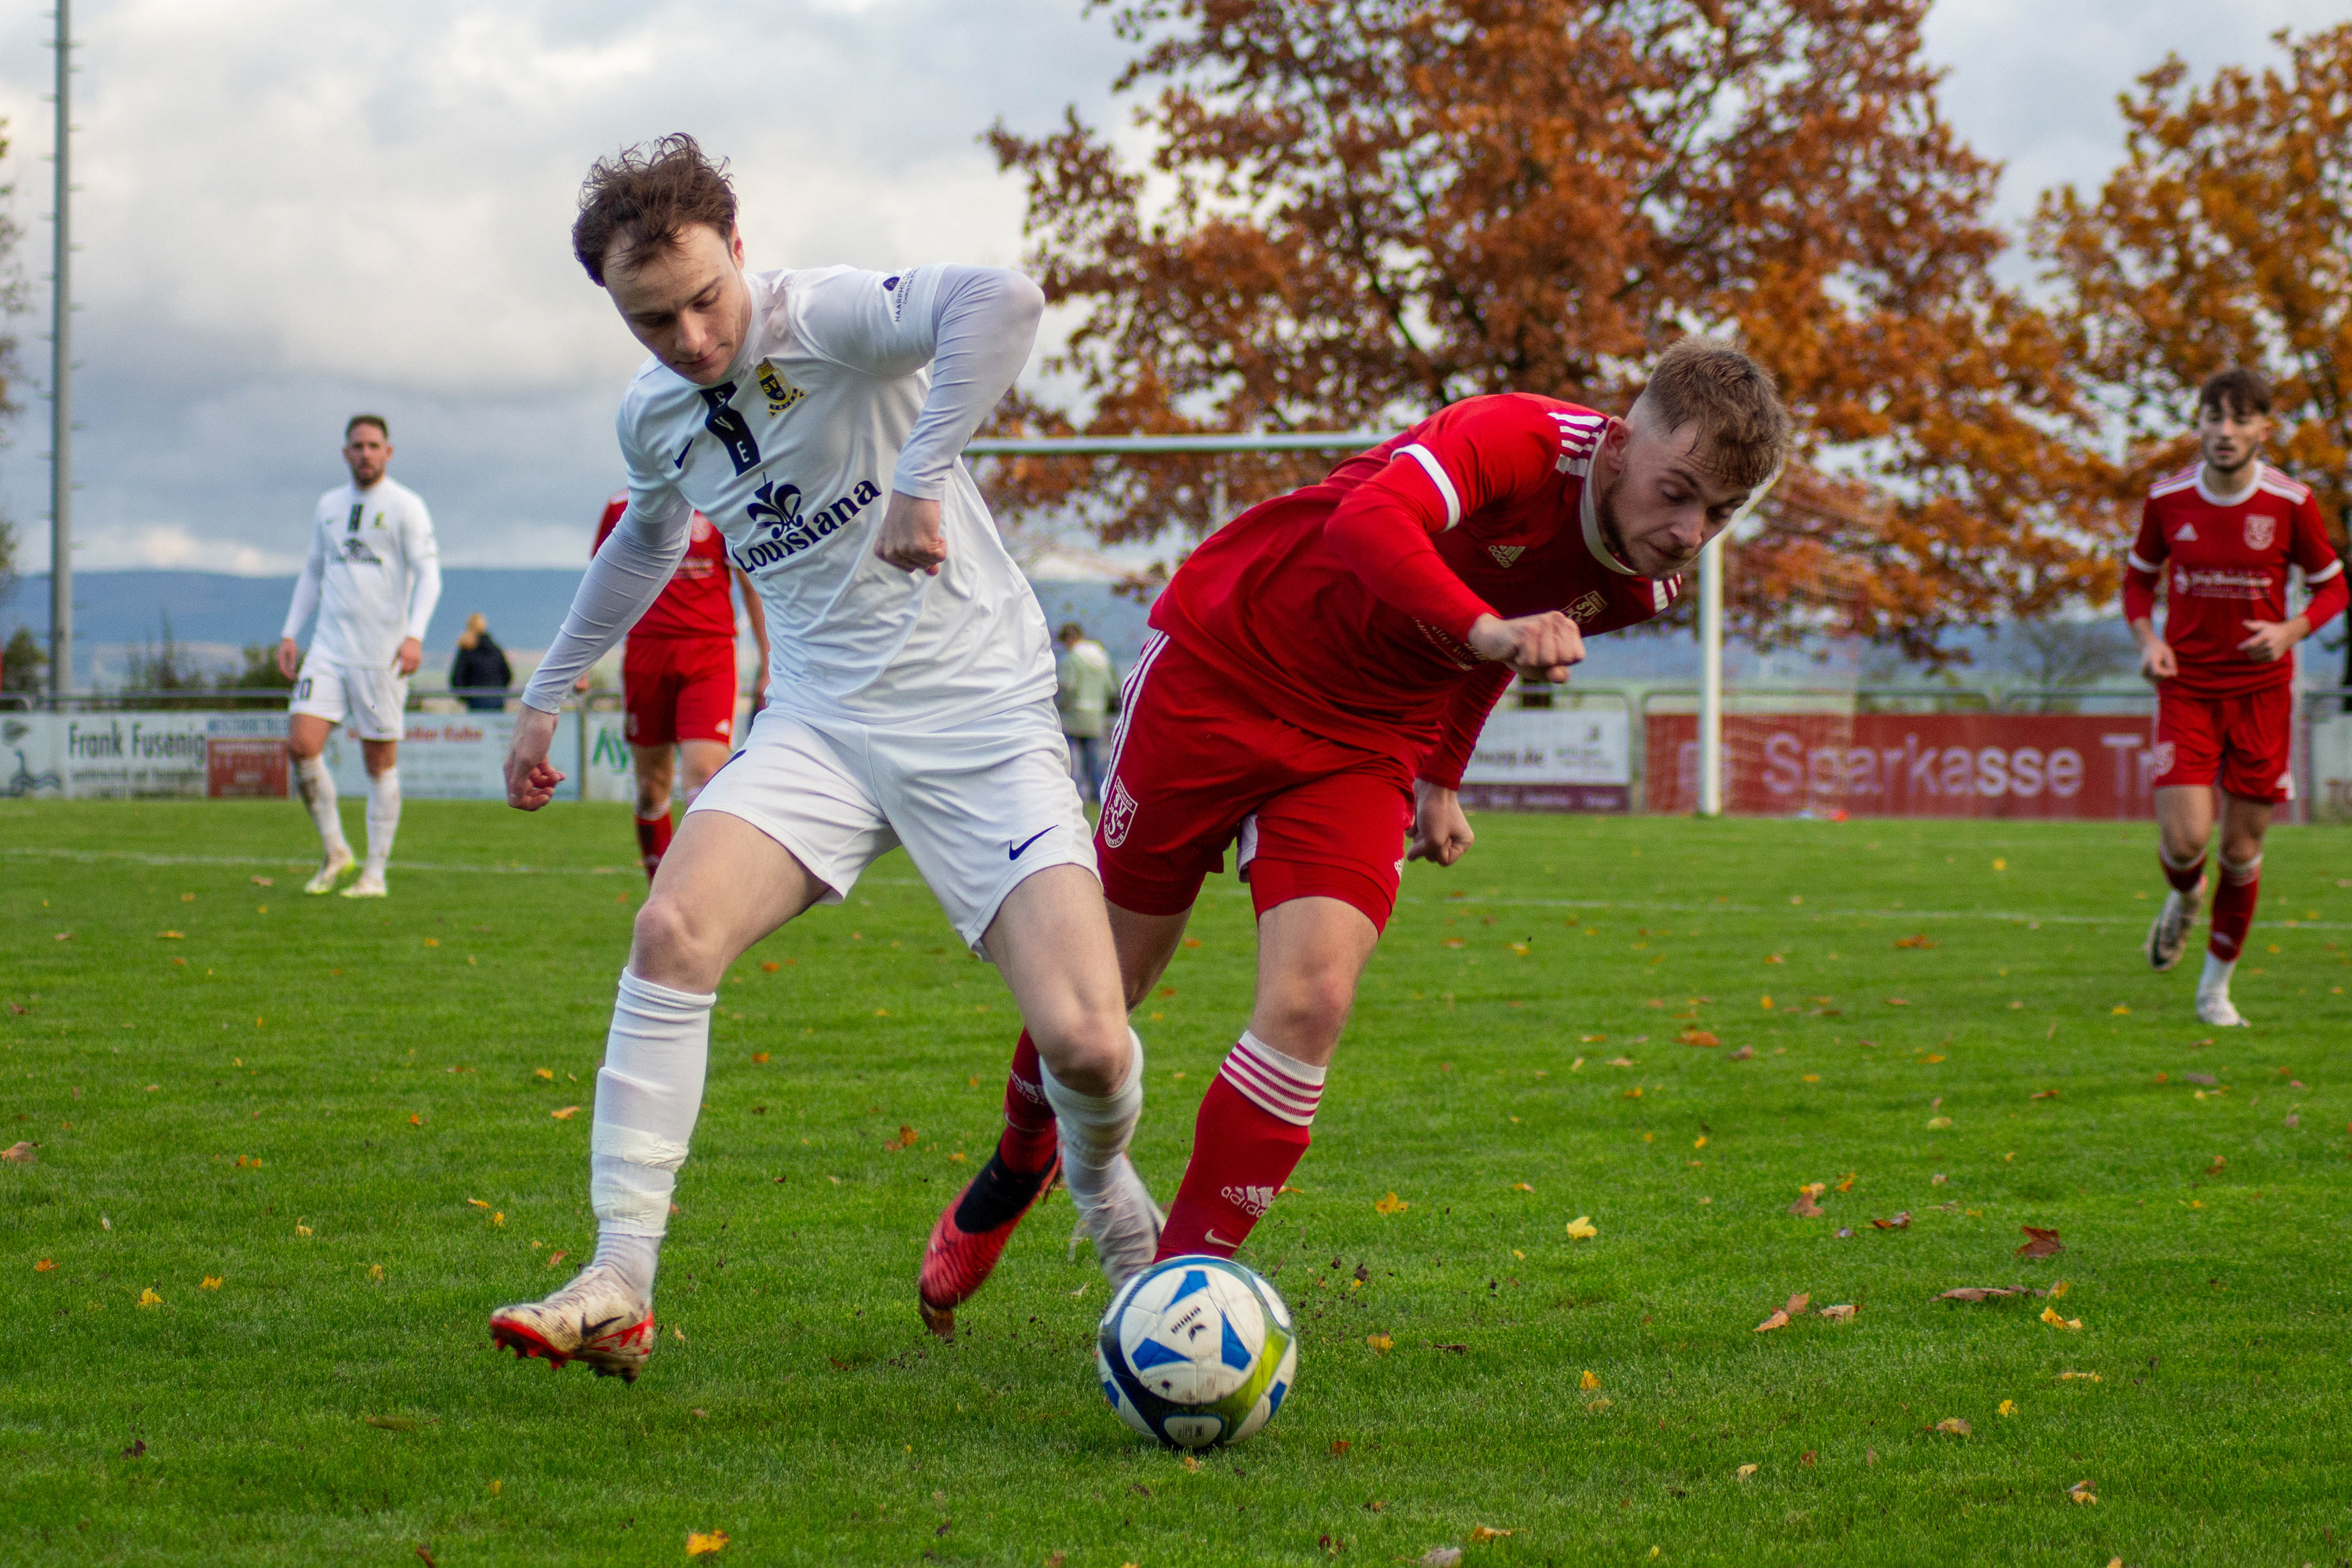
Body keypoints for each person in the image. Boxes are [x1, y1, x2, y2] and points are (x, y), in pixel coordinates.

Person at [485, 134, 1156, 1381]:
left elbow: (1003, 301)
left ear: (740, 250)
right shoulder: (656, 413)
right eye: (652, 322)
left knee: (1089, 1046)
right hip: (820, 729)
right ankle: (621, 1273)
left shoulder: (825, 316)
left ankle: (1111, 1201)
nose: (690, 338)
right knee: (670, 931)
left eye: (704, 298)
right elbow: (648, 533)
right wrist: (547, 687)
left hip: (979, 726)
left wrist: (923, 475)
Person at [938, 338, 1790, 1281]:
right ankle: (1021, 1160)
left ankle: (1176, 1294)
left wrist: (1442, 776)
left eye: (1720, 512)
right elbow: (1367, 522)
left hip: (1364, 743)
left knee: (1315, 1000)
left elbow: (1497, 653)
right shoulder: (1517, 437)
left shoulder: (1646, 581)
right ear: (1623, 445)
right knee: (1104, 991)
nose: (1689, 531)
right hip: (1225, 665)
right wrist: (1487, 631)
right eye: (1678, 492)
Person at [2127, 367, 2346, 1026]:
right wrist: (2147, 640)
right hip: (2188, 687)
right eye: (2213, 418)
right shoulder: (2168, 499)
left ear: (2263, 429)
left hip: (2262, 696)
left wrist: (2290, 630)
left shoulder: (2291, 501)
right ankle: (2185, 896)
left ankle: (2214, 991)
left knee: (2242, 853)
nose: (2225, 432)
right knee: (2189, 841)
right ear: (2197, 424)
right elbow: (2137, 582)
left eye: (2240, 419)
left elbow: (2334, 587)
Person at [276, 415, 441, 899]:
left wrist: (414, 636)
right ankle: (336, 851)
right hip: (328, 648)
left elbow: (430, 577)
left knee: (378, 762)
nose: (365, 454)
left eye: (373, 446)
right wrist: (290, 632)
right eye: (357, 446)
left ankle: (375, 872)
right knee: (302, 746)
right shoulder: (328, 505)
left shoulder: (407, 506)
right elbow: (312, 572)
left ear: (388, 452)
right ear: (345, 453)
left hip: (380, 655)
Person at [589, 494, 771, 880]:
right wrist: (583, 658)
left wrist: (769, 663)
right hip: (645, 655)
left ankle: (701, 895)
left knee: (705, 776)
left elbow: (750, 585)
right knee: (652, 788)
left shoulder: (721, 500)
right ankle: (662, 891)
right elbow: (602, 584)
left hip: (710, 653)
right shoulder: (622, 507)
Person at [1055, 620, 1115, 804]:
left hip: (1073, 718)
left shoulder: (1071, 660)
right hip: (1095, 717)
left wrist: (1059, 706)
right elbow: (1110, 688)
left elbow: (1067, 687)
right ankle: (1098, 797)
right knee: (1093, 762)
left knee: (1070, 763)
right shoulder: (1102, 659)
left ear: (1070, 639)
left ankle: (1072, 798)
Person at [448, 613, 513, 712]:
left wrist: (465, 697)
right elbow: (508, 675)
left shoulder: (466, 649)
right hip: (497, 700)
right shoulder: (496, 649)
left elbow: (457, 677)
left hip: (475, 702)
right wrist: (499, 692)